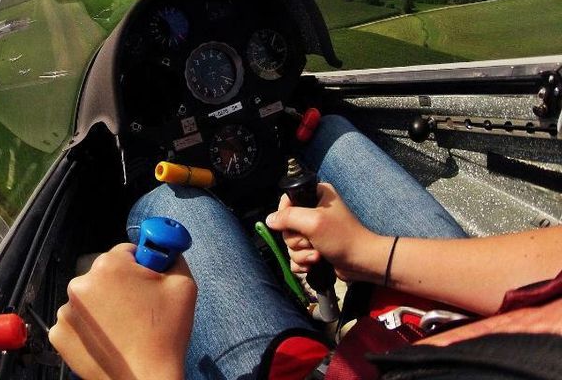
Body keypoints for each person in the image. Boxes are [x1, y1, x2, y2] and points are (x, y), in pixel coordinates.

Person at [49, 115, 562, 379]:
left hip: (305, 370)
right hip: (457, 317)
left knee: (175, 201)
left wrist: (143, 370)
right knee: (329, 134)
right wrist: (367, 251)